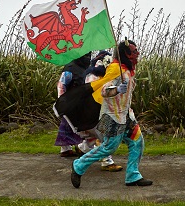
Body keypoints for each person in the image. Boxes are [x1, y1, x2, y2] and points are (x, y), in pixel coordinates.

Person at [71, 39, 152, 188]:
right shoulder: (115, 69)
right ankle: (78, 165)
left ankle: (132, 175)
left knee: (137, 142)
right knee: (108, 147)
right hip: (113, 116)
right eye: (134, 52)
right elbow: (103, 90)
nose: (138, 53)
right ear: (126, 54)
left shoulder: (127, 69)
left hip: (126, 115)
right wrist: (116, 90)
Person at [76, 50, 123, 172]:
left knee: (96, 134)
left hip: (95, 110)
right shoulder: (93, 76)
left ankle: (83, 148)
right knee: (104, 135)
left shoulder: (100, 75)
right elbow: (95, 92)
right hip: (93, 109)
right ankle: (106, 162)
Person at [54, 53, 91, 157]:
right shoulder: (70, 68)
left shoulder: (87, 68)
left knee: (77, 125)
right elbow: (62, 85)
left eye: (89, 55)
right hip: (70, 101)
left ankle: (73, 148)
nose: (87, 57)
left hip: (81, 101)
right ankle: (66, 148)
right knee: (68, 124)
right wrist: (62, 100)